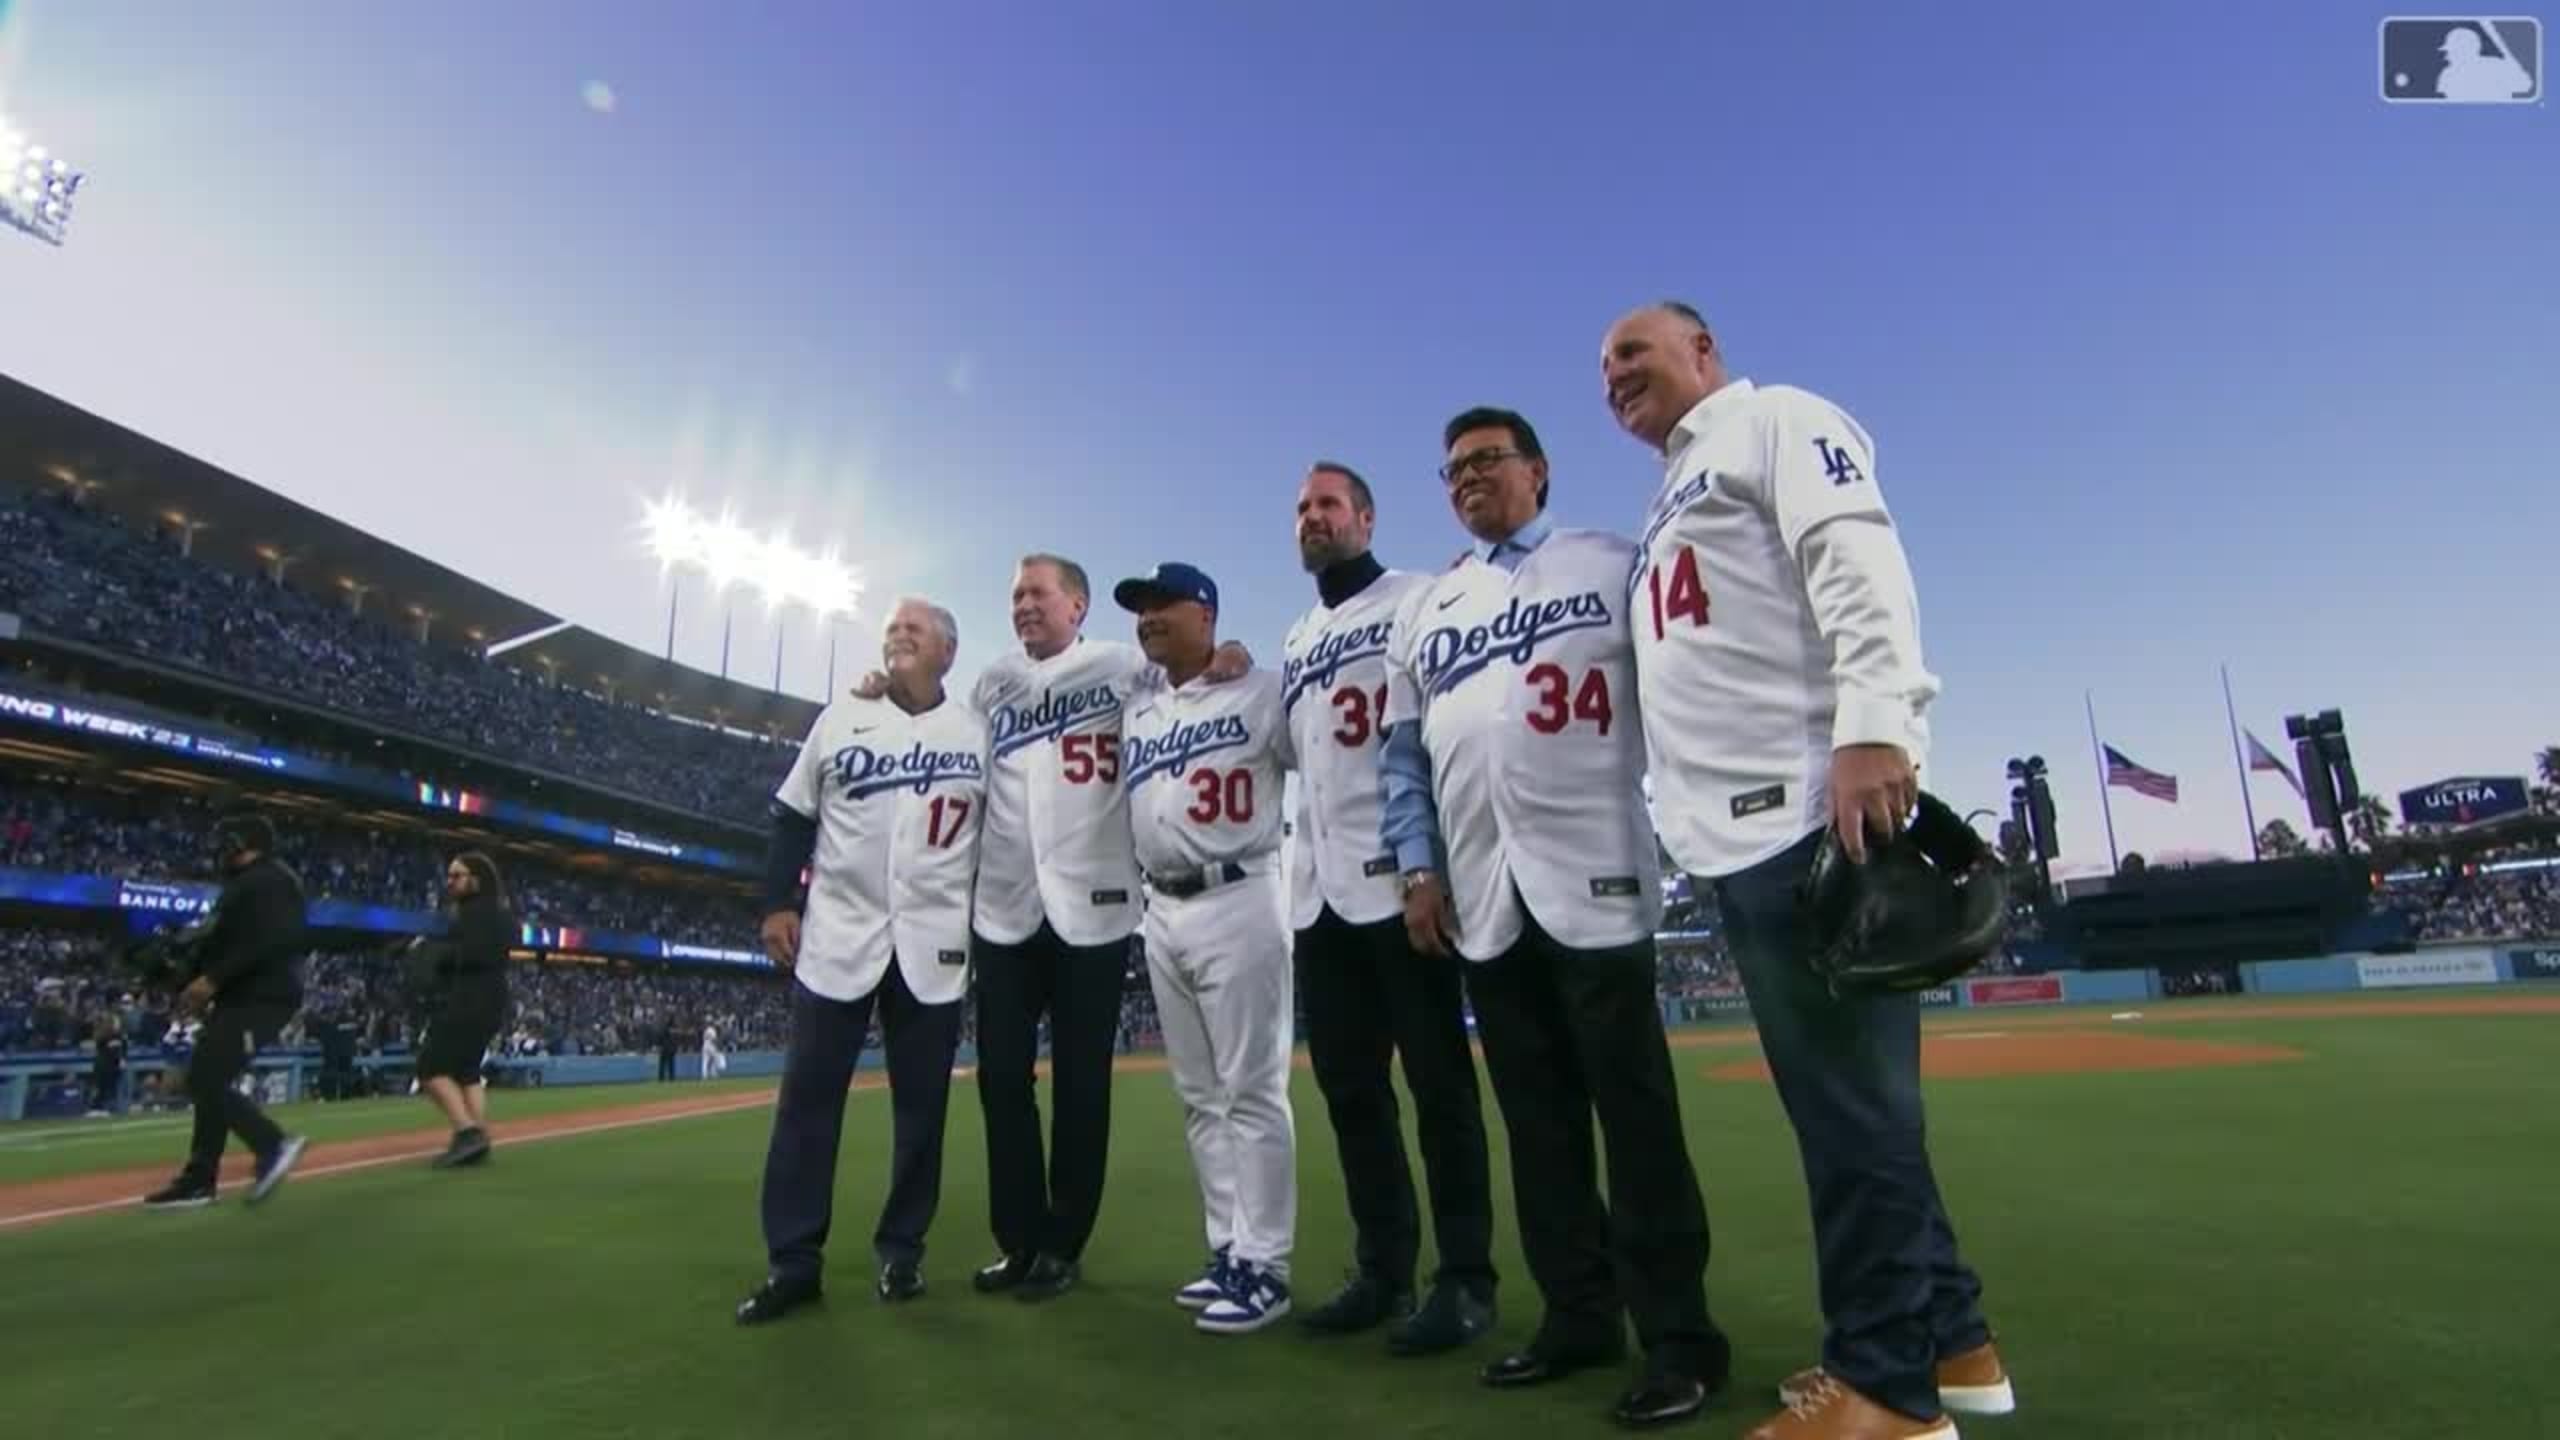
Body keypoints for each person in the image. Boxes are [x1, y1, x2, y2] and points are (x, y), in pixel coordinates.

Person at [1599, 300, 2012, 1440]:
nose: (1613, 375)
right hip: (1736, 835)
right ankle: (1954, 1343)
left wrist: (1877, 725)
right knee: (1856, 1111)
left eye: (1632, 352)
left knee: (1852, 1122)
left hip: (1802, 814)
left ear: (1703, 351)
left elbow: (1854, 553)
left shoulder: (1774, 419)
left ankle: (1884, 1393)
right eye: (1602, 367)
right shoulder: (1669, 492)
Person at [1379, 406, 1729, 1429]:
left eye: (1486, 461)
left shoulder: (1609, 561)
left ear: (1537, 469)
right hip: (1484, 891)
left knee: (1636, 1121)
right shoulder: (1432, 605)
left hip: (1596, 871)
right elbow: (1403, 757)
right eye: (1452, 471)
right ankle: (1578, 1316)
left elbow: (1682, 684)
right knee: (1535, 1127)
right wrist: (1416, 870)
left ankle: (1680, 1340)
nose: (1468, 479)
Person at [943, 553, 1245, 1303]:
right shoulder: (992, 684)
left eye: (1038, 593)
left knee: (1083, 1084)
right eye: (1015, 594)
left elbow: (1186, 681)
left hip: (1098, 901)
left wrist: (1227, 656)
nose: (1023, 605)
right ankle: (1018, 1240)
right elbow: (958, 757)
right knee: (1002, 1078)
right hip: (1007, 905)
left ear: (1076, 605)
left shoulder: (1119, 665)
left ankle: (1063, 1244)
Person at [1280, 462, 1498, 1352]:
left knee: (1441, 1089)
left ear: (1365, 518)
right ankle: (1383, 1269)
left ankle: (1465, 1280)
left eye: (1328, 504)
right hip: (1318, 898)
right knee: (1352, 1095)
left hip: (1399, 882)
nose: (1311, 518)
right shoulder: (1296, 638)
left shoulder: (1417, 596)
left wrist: (1427, 867)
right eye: (1301, 508)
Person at [737, 597, 987, 1325]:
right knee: (807, 1108)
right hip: (838, 936)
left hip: (934, 944)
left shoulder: (976, 734)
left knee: (922, 1112)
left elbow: (1000, 840)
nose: (897, 635)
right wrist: (776, 902)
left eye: (915, 629)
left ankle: (902, 1252)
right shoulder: (841, 716)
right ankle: (793, 1261)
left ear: (947, 651)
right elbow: (792, 814)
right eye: (892, 629)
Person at [1113, 561, 1298, 1334]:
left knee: (1251, 1090)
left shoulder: (1260, 690)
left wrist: (1245, 656)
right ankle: (1227, 1249)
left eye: (1161, 604)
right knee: (1199, 1097)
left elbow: (1314, 756)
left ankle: (1267, 1266)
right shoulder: (1138, 705)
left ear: (1206, 612)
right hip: (1162, 908)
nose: (1147, 617)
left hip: (1240, 894)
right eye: (1140, 608)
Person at [141, 814, 310, 1210]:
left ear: (245, 842)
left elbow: (271, 939)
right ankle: (200, 1179)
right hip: (242, 994)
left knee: (206, 1077)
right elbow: (221, 943)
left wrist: (214, 978)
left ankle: (272, 1144)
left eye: (227, 840)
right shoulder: (243, 885)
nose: (219, 847)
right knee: (206, 1075)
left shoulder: (270, 880)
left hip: (264, 995)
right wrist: (182, 975)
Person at [410, 851, 514, 1169]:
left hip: (471, 996)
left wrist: (431, 954)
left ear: (476, 880)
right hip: (493, 997)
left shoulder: (472, 912)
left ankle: (467, 1132)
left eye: (458, 876)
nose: (450, 882)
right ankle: (478, 1136)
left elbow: (471, 955)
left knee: (429, 1068)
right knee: (467, 1071)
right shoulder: (501, 910)